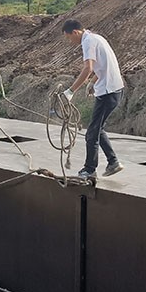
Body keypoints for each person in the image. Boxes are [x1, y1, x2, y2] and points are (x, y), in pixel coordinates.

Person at [61, 20, 124, 180]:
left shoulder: (88, 42)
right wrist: (93, 81)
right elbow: (102, 66)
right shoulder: (97, 38)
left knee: (91, 133)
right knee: (98, 129)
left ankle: (89, 169)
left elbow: (88, 67)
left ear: (75, 32)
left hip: (108, 92)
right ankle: (113, 162)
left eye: (69, 38)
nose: (70, 42)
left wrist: (71, 91)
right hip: (113, 89)